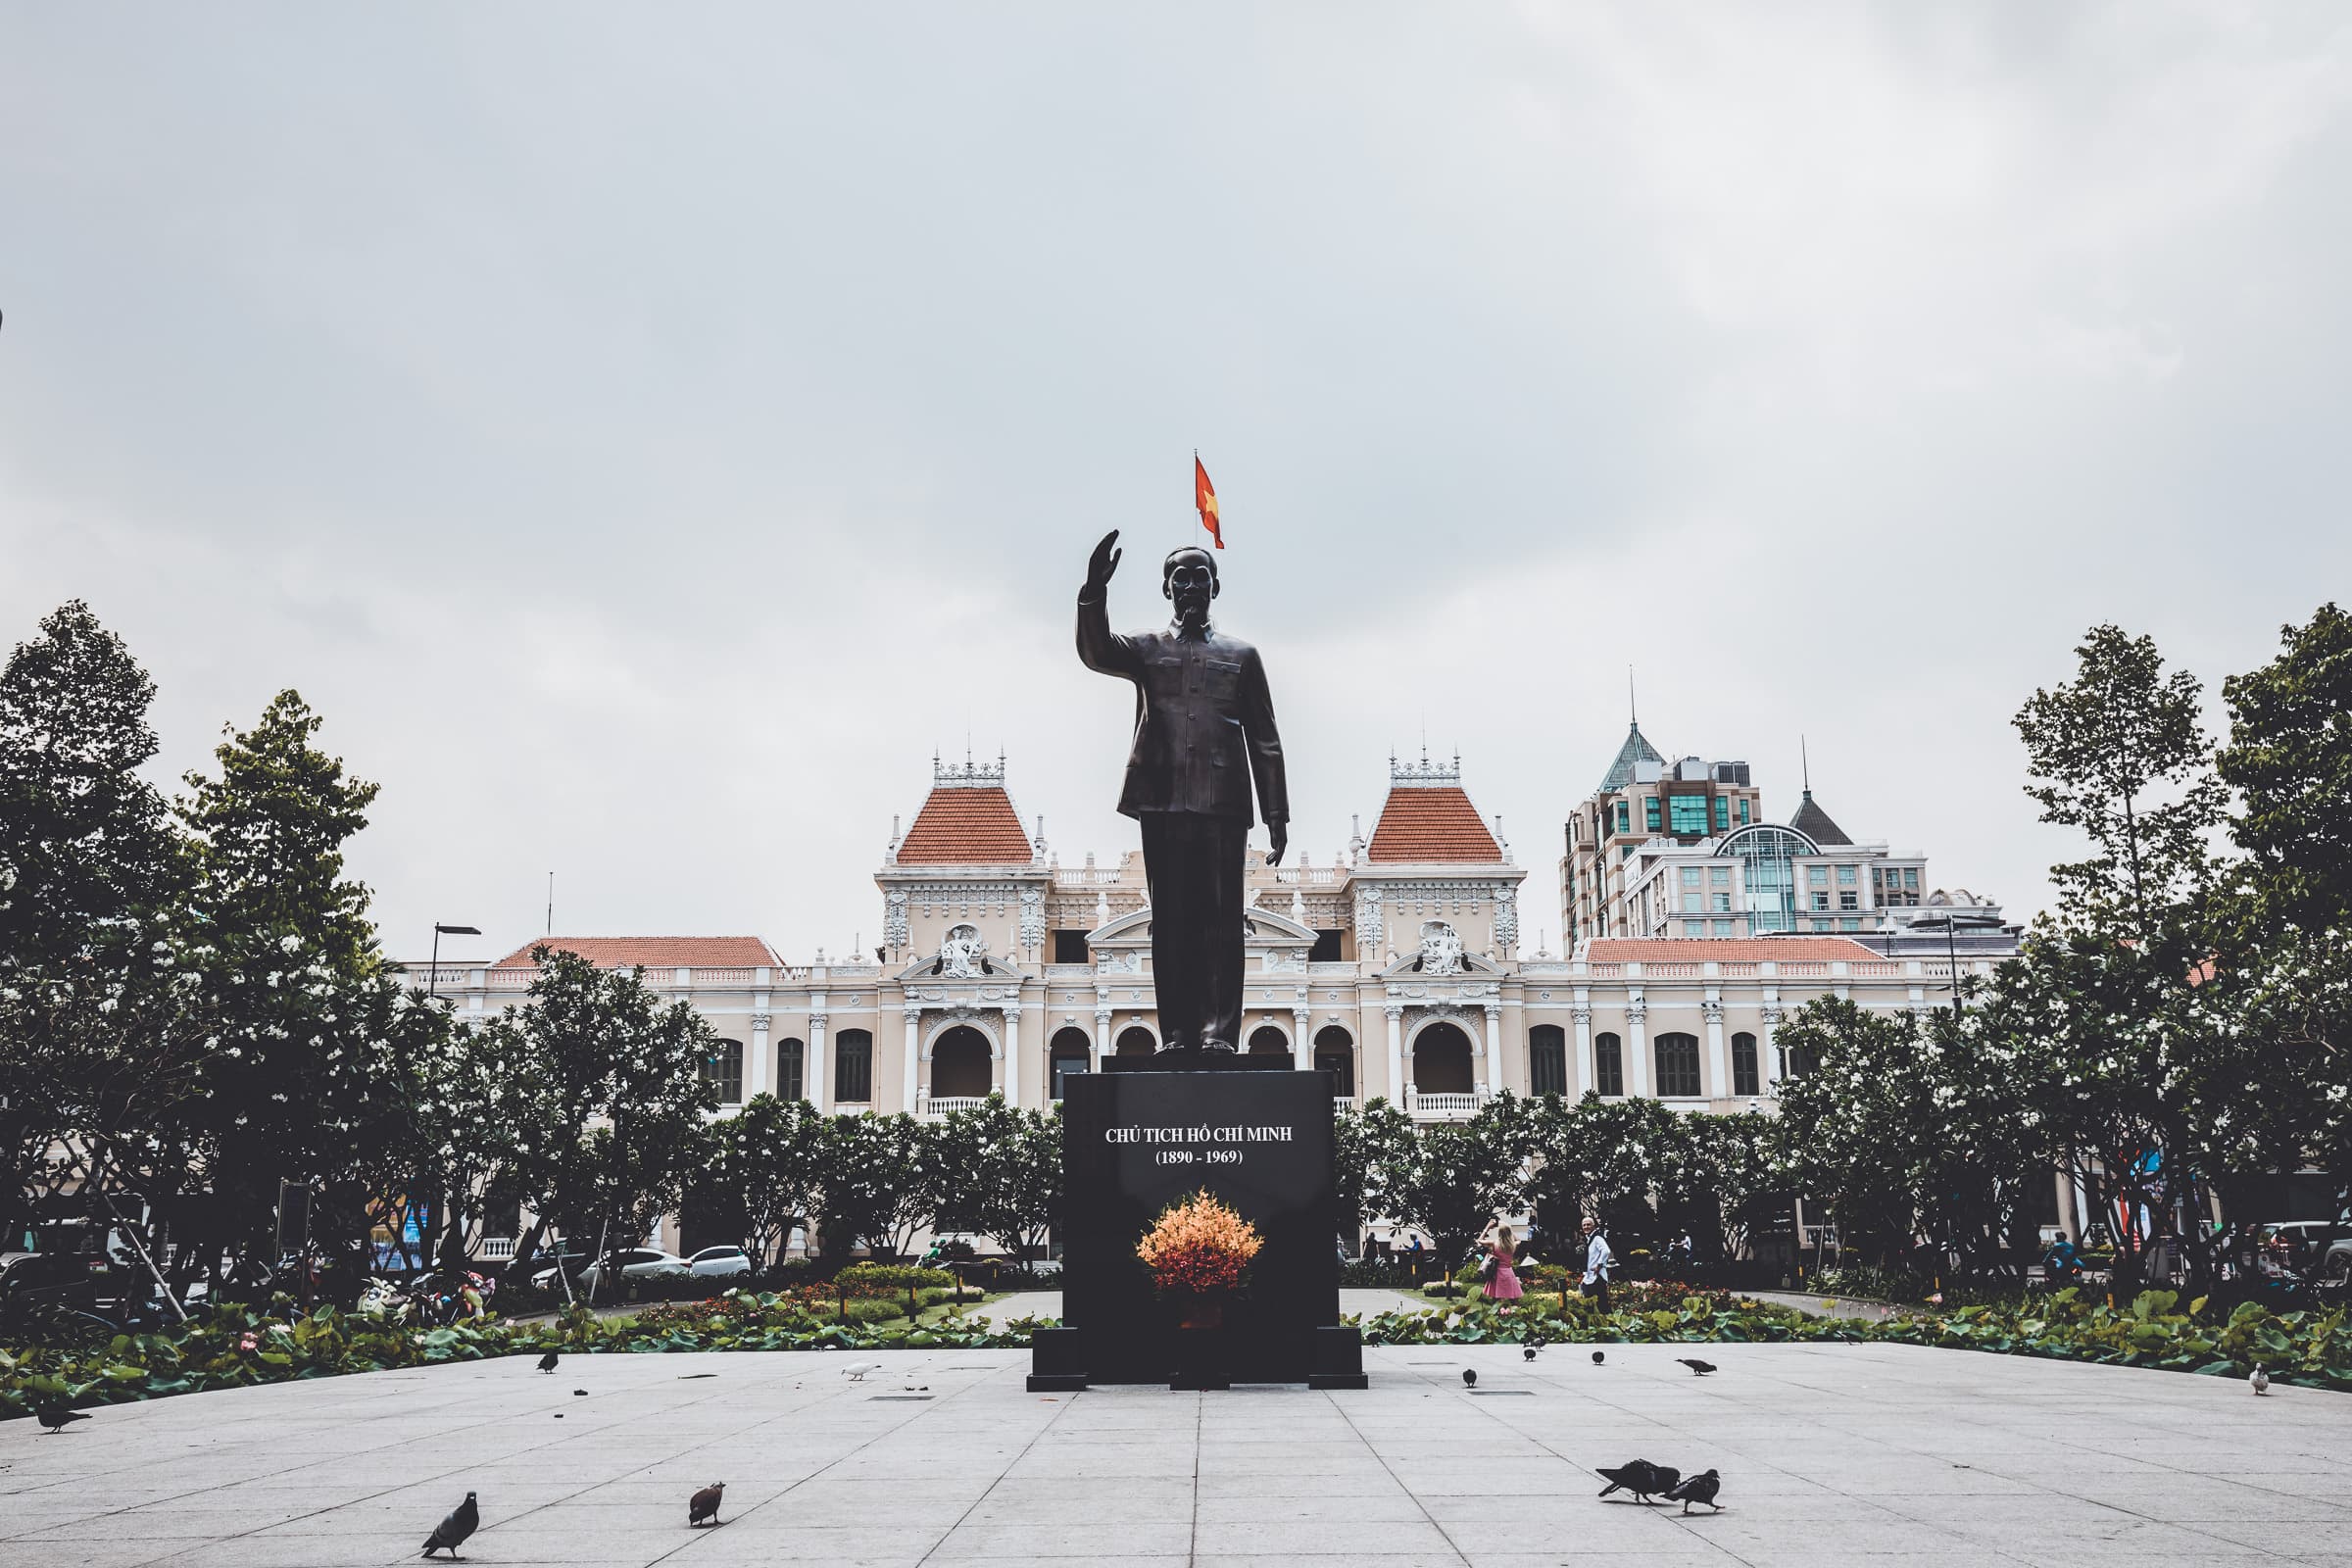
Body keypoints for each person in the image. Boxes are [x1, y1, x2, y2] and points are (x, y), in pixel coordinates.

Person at [1075, 531, 1289, 1054]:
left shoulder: (1242, 655)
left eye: (1200, 577)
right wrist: (1094, 592)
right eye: (1180, 577)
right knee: (1170, 922)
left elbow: (1265, 739)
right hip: (1162, 799)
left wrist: (1276, 815)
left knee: (1222, 922)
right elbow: (1096, 651)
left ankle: (1219, 1033)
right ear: (1166, 588)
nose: (1190, 586)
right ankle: (1175, 1033)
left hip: (1223, 804)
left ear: (1215, 586)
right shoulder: (1146, 649)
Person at [1483, 1226, 1523, 1310]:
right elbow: (1519, 1240)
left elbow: (1479, 1241)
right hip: (1509, 1272)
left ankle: (1497, 1314)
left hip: (1497, 1273)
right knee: (1514, 1299)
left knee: (1496, 1298)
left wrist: (1487, 1227)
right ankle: (1518, 1313)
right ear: (1509, 1234)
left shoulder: (1494, 1243)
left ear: (1499, 1234)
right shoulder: (1512, 1245)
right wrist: (1510, 1232)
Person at [1581, 1217, 1613, 1313]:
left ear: (1593, 1226)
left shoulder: (1597, 1238)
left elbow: (1606, 1251)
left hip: (1598, 1276)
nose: (1586, 1227)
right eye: (1584, 1225)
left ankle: (1610, 1320)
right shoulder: (1589, 1239)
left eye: (1588, 1224)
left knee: (1602, 1304)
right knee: (1589, 1303)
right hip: (1590, 1276)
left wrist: (1599, 1264)